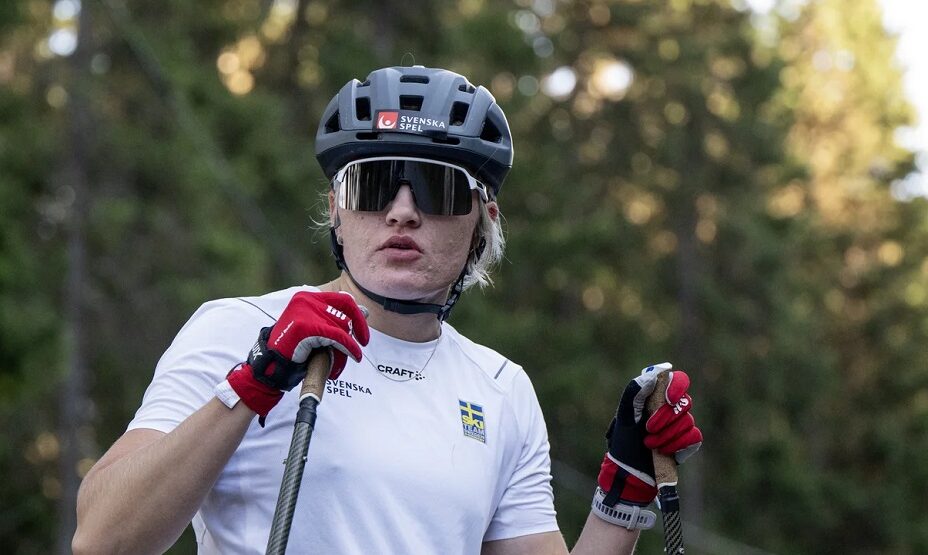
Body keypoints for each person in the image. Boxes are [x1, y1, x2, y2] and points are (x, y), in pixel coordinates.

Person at [72, 65, 703, 555]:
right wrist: (251, 383)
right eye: (372, 185)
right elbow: (102, 540)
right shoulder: (237, 328)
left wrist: (626, 488)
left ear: (483, 221)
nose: (402, 211)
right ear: (336, 209)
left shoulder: (502, 388)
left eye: (436, 188)